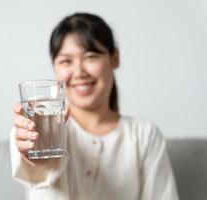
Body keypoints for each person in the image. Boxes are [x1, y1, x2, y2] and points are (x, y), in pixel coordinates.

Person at [10, 12, 179, 200]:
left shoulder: (145, 135)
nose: (79, 72)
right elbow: (37, 174)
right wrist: (34, 159)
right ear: (55, 67)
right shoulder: (32, 129)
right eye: (66, 61)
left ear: (115, 58)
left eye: (91, 57)